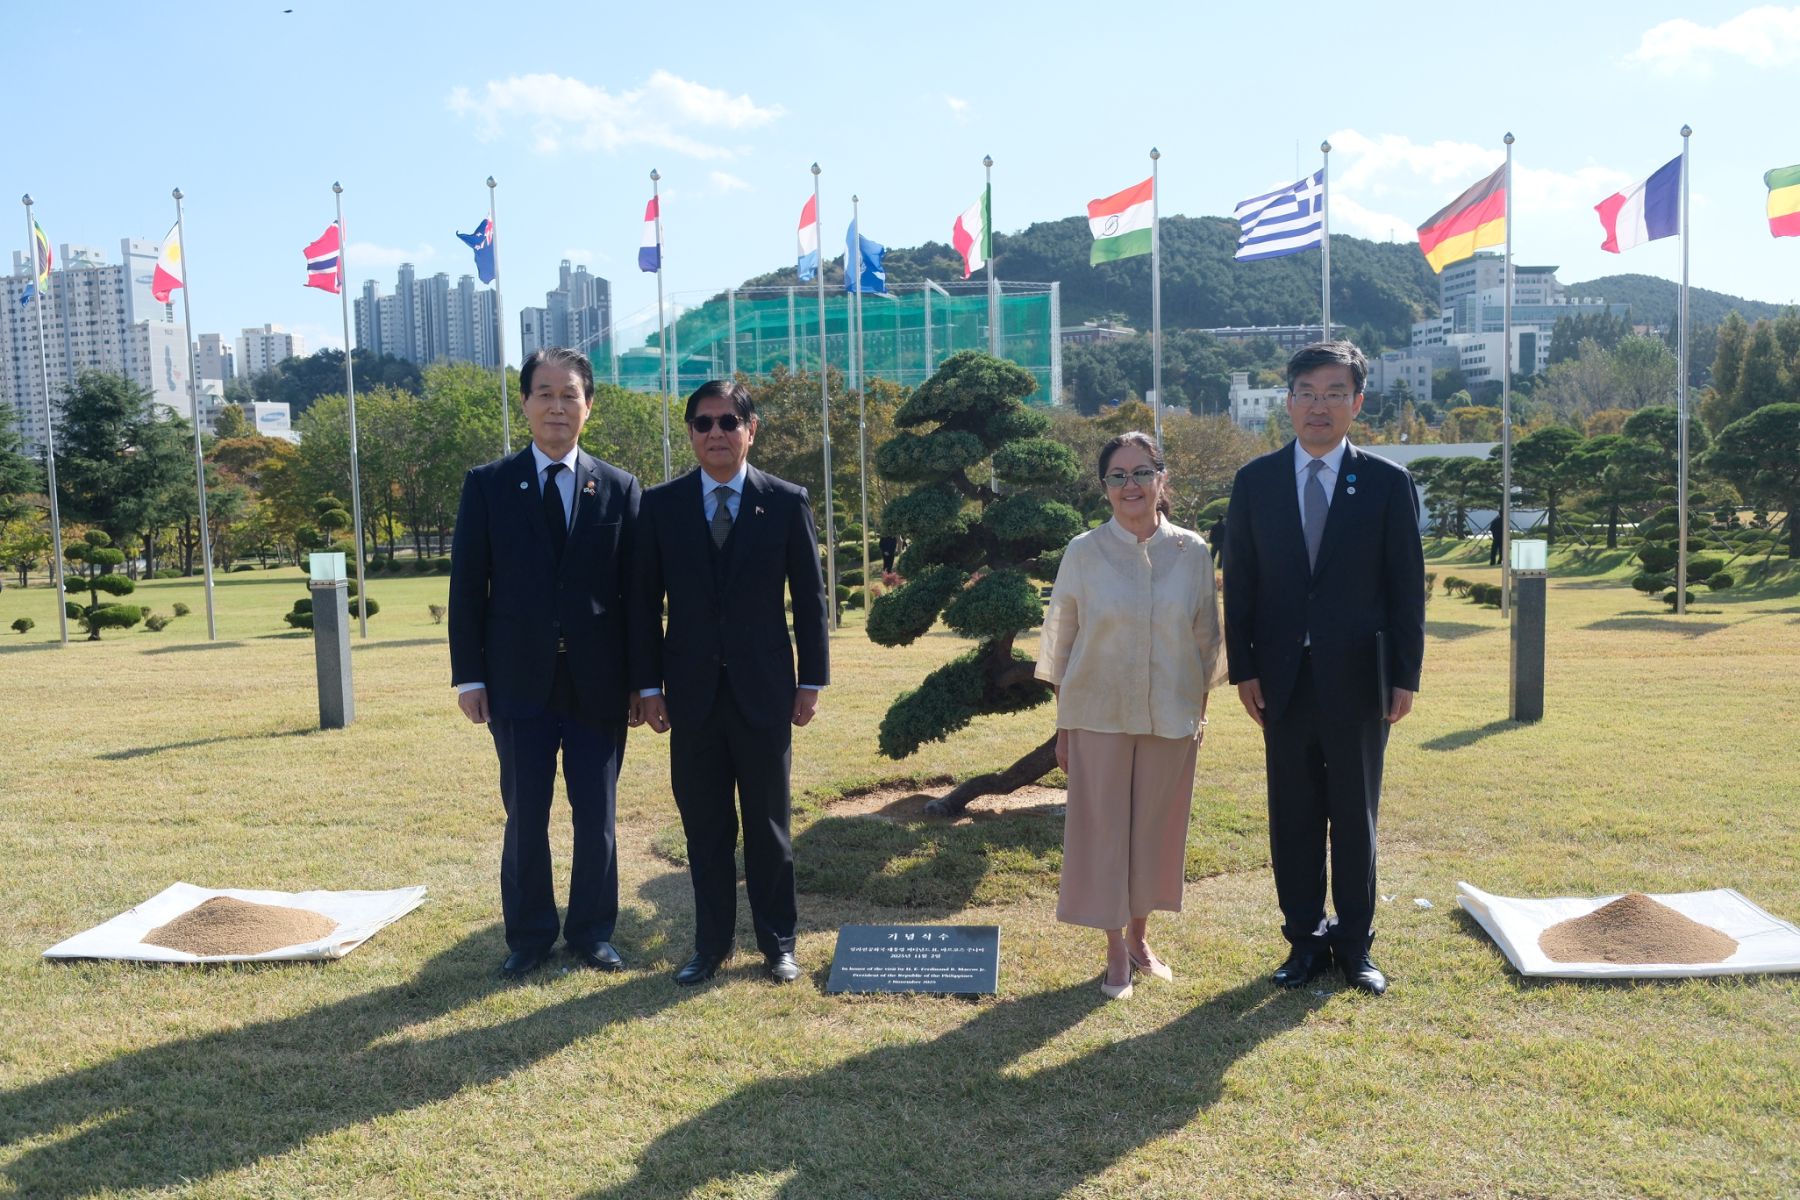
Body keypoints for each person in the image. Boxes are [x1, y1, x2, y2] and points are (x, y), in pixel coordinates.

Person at [1223, 341, 1425, 996]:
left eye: (1335, 392)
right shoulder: (1255, 482)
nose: (1320, 405)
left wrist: (1406, 676)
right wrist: (1243, 669)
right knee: (1294, 812)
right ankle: (1303, 939)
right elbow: (1242, 583)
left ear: (1358, 402)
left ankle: (1356, 945)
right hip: (1280, 680)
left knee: (1354, 811)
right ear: (1287, 401)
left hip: (1362, 679)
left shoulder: (1389, 483)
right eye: (1307, 391)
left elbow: (1405, 588)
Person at [449, 347, 642, 980]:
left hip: (599, 685)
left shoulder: (619, 487)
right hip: (516, 683)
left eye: (570, 394)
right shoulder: (489, 484)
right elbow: (468, 586)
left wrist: (645, 680)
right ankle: (529, 935)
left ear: (589, 405)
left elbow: (636, 596)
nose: (557, 405)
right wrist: (470, 675)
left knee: (598, 818)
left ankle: (592, 932)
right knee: (524, 815)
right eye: (544, 393)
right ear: (526, 403)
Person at [631, 379, 830, 986]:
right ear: (690, 433)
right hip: (688, 694)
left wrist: (812, 680)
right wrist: (647, 686)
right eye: (703, 423)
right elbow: (642, 604)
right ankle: (710, 944)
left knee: (769, 825)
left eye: (728, 421)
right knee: (706, 827)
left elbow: (811, 599)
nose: (716, 433)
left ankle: (778, 944)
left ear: (751, 429)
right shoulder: (660, 506)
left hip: (766, 690)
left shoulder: (787, 500)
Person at [1036, 431, 1225, 1000]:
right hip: (1098, 715)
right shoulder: (1083, 552)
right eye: (1117, 476)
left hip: (1172, 715)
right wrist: (1064, 729)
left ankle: (1142, 936)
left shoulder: (1191, 552)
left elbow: (1206, 640)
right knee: (1104, 833)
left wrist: (1200, 714)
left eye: (1141, 473)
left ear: (1162, 480)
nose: (1130, 486)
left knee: (1155, 831)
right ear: (1104, 488)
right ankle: (1115, 948)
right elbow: (1061, 643)